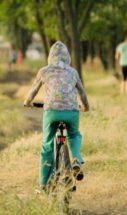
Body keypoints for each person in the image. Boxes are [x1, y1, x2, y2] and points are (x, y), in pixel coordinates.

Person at [23, 42, 90, 193]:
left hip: (52, 112)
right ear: (68, 57)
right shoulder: (73, 72)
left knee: (47, 144)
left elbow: (33, 91)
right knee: (74, 135)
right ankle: (76, 160)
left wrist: (27, 102)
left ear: (50, 57)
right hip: (72, 112)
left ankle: (43, 184)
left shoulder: (44, 71)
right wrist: (86, 107)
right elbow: (82, 93)